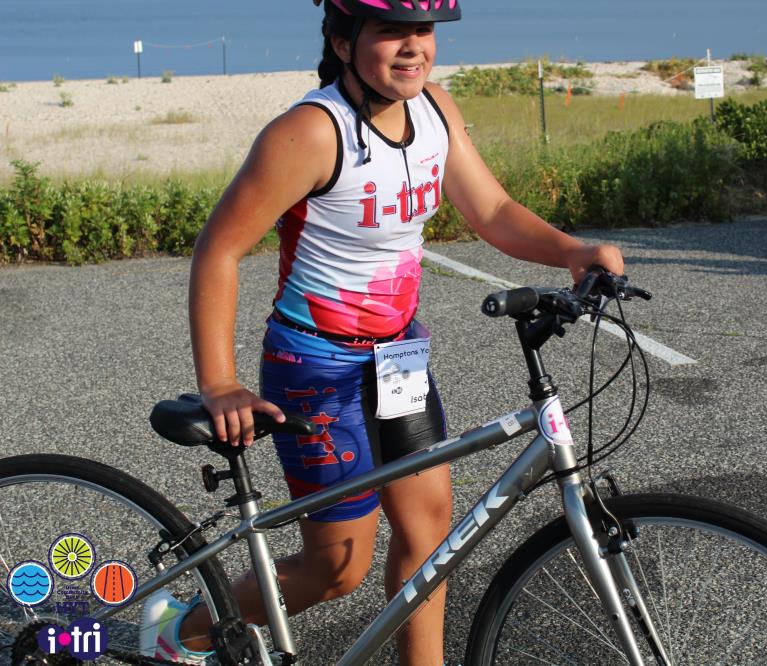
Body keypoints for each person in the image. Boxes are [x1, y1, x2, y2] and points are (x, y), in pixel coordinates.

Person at [141, 0, 624, 663]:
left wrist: (572, 251)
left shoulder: (435, 110)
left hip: (399, 358)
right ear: (343, 42)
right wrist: (219, 382)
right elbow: (219, 250)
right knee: (337, 568)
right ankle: (179, 631)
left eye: (422, 31)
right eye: (390, 31)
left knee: (431, 541)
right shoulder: (312, 133)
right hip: (315, 364)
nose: (413, 46)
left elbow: (491, 208)